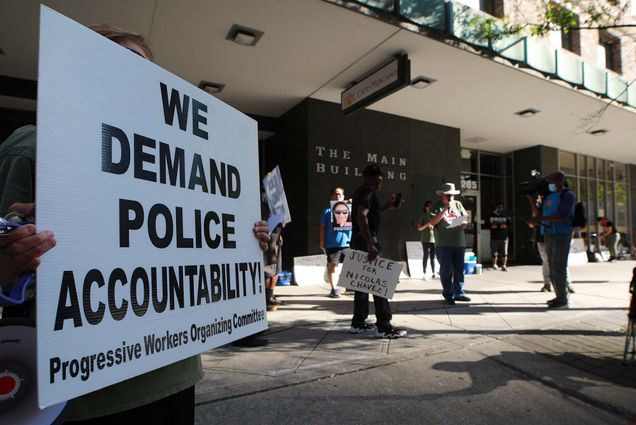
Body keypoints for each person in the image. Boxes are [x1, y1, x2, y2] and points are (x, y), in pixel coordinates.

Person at [0, 25, 271, 424]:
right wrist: (17, 246)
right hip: (87, 389)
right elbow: (6, 271)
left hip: (173, 372)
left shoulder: (189, 164)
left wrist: (244, 240)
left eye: (146, 72)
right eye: (119, 62)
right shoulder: (33, 144)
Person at [348, 164, 406, 339]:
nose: (382, 180)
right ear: (375, 177)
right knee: (379, 284)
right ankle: (383, 327)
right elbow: (361, 216)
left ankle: (357, 323)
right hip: (367, 241)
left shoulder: (361, 192)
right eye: (380, 177)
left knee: (361, 284)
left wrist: (387, 207)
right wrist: (370, 244)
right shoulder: (368, 192)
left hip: (358, 240)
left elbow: (370, 213)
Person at [529, 171, 576, 309]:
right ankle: (559, 296)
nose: (548, 183)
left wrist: (540, 219)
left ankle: (563, 299)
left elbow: (563, 215)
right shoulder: (550, 196)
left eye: (550, 180)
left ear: (559, 181)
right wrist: (531, 199)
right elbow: (539, 214)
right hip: (548, 234)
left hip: (562, 234)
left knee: (559, 267)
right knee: (552, 266)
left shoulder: (567, 195)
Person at [429, 183, 471, 305]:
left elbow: (464, 219)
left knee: (459, 269)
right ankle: (448, 294)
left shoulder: (458, 204)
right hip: (443, 244)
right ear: (442, 194)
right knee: (446, 269)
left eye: (452, 194)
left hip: (459, 242)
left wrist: (464, 223)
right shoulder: (436, 206)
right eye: (448, 194)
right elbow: (432, 221)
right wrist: (445, 209)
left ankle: (459, 293)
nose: (451, 196)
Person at [319, 187, 351, 298]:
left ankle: (349, 287)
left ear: (343, 196)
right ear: (331, 196)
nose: (338, 196)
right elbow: (322, 227)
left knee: (350, 265)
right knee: (332, 266)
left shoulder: (349, 209)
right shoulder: (327, 211)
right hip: (332, 244)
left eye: (340, 194)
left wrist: (353, 204)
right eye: (335, 194)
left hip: (347, 244)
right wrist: (322, 241)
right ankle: (333, 289)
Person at [417, 201, 437, 279]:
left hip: (434, 239)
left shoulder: (434, 216)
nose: (429, 208)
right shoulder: (423, 217)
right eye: (428, 206)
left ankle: (433, 272)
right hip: (425, 239)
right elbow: (419, 228)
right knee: (426, 255)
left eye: (431, 206)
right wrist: (426, 225)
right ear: (425, 208)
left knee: (433, 257)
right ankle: (424, 273)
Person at [488, 204, 511, 271]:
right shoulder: (491, 216)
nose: (499, 211)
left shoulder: (506, 216)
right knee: (494, 252)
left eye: (501, 209)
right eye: (498, 209)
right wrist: (492, 226)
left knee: (504, 252)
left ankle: (504, 265)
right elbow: (487, 224)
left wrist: (505, 226)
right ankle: (494, 265)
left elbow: (510, 225)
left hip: (504, 237)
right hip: (494, 236)